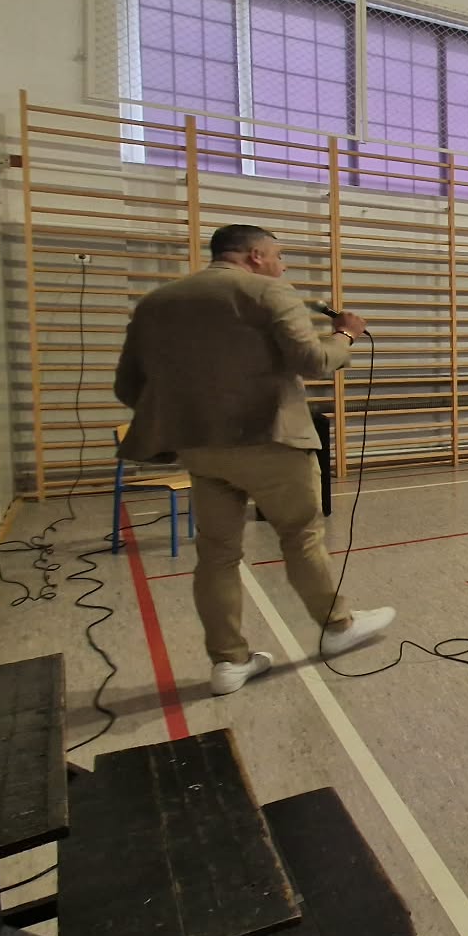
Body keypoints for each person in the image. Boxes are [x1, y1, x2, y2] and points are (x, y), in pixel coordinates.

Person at [113, 224, 394, 696]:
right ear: (256, 255)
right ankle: (338, 626)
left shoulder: (157, 302)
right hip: (271, 443)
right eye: (278, 256)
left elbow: (127, 387)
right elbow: (314, 361)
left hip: (199, 449)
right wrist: (345, 335)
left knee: (217, 554)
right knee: (301, 536)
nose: (282, 266)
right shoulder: (269, 292)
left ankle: (228, 661)